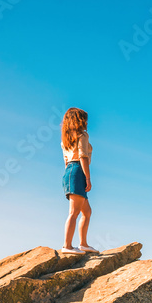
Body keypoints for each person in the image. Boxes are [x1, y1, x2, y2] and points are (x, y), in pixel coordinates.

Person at [60, 107, 97, 255]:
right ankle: (67, 246)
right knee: (74, 212)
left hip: (69, 171)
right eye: (85, 119)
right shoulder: (83, 135)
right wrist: (87, 177)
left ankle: (83, 244)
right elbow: (83, 156)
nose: (87, 122)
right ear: (80, 120)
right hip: (77, 170)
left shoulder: (66, 139)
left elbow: (65, 160)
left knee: (87, 212)